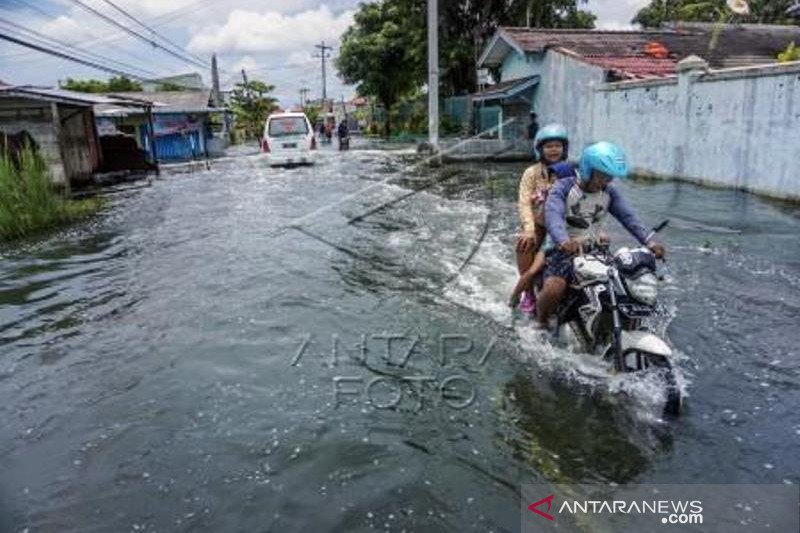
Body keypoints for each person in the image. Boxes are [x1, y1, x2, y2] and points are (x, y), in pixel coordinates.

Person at [536, 141, 666, 326]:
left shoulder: (609, 193)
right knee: (554, 288)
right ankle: (540, 322)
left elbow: (628, 218)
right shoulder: (563, 187)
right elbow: (553, 216)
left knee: (623, 286)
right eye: (603, 176)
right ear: (588, 170)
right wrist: (564, 241)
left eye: (610, 177)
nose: (607, 181)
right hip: (563, 250)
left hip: (595, 251)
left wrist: (650, 242)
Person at [514, 123, 570, 314]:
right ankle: (528, 293)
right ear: (540, 149)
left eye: (557, 146)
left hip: (565, 226)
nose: (553, 150)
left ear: (564, 148)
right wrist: (529, 229)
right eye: (548, 146)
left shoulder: (570, 171)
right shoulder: (531, 173)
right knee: (523, 243)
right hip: (538, 224)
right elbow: (524, 203)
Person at [509, 161, 576, 309]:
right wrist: (530, 228)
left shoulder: (578, 197)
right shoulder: (547, 192)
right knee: (533, 269)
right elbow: (528, 203)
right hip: (550, 241)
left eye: (559, 181)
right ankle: (520, 294)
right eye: (552, 181)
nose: (555, 184)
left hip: (570, 238)